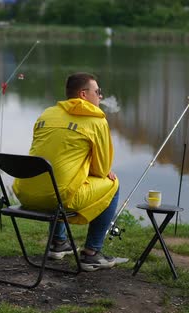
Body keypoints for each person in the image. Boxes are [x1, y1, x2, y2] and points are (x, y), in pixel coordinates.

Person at [13, 72, 127, 271]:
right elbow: (101, 170)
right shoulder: (96, 121)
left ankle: (58, 243)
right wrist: (95, 169)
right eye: (97, 92)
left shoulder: (47, 113)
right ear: (83, 94)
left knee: (57, 177)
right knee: (113, 184)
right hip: (57, 199)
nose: (100, 96)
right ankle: (92, 253)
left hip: (25, 194)